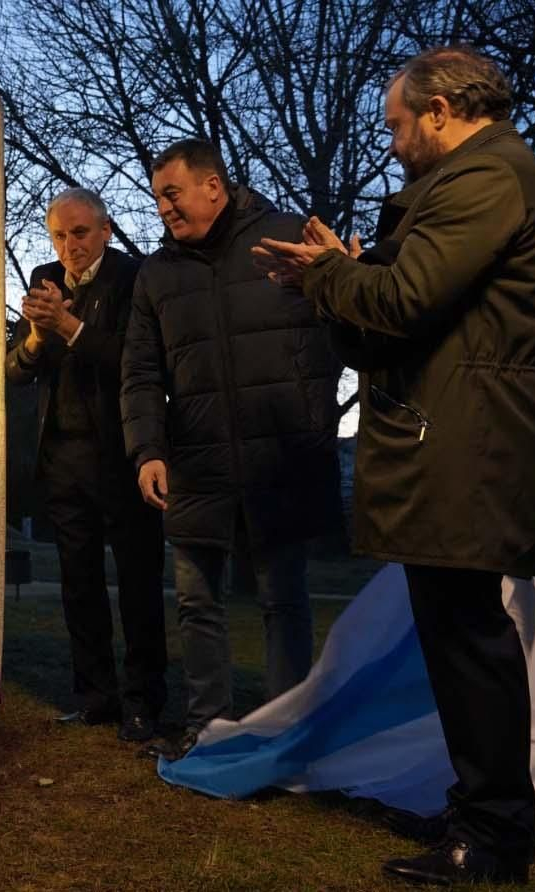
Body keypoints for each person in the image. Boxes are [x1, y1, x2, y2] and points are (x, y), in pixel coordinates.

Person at [255, 46, 535, 886]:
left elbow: (399, 302)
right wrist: (332, 280)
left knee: (469, 637)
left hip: (468, 440)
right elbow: (389, 322)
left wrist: (336, 275)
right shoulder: (481, 181)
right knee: (459, 631)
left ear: (439, 110)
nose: (393, 143)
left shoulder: (486, 179)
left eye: (399, 124)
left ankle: (495, 837)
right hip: (457, 432)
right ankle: (485, 817)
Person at [120, 139, 343, 760]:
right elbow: (139, 373)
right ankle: (208, 726)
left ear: (213, 186)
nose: (162, 206)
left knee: (282, 599)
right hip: (197, 461)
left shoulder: (288, 239)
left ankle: (286, 730)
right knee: (197, 602)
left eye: (172, 192)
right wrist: (148, 450)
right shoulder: (158, 274)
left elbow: (341, 332)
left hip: (282, 459)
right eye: (157, 196)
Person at [4, 188, 166, 742]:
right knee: (79, 584)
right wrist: (34, 337)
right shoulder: (45, 279)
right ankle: (95, 697)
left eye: (78, 233)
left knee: (139, 584)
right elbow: (16, 370)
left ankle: (145, 702)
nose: (67, 246)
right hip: (63, 458)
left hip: (122, 456)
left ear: (105, 230)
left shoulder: (137, 277)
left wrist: (72, 329)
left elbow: (137, 362)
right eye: (57, 235)